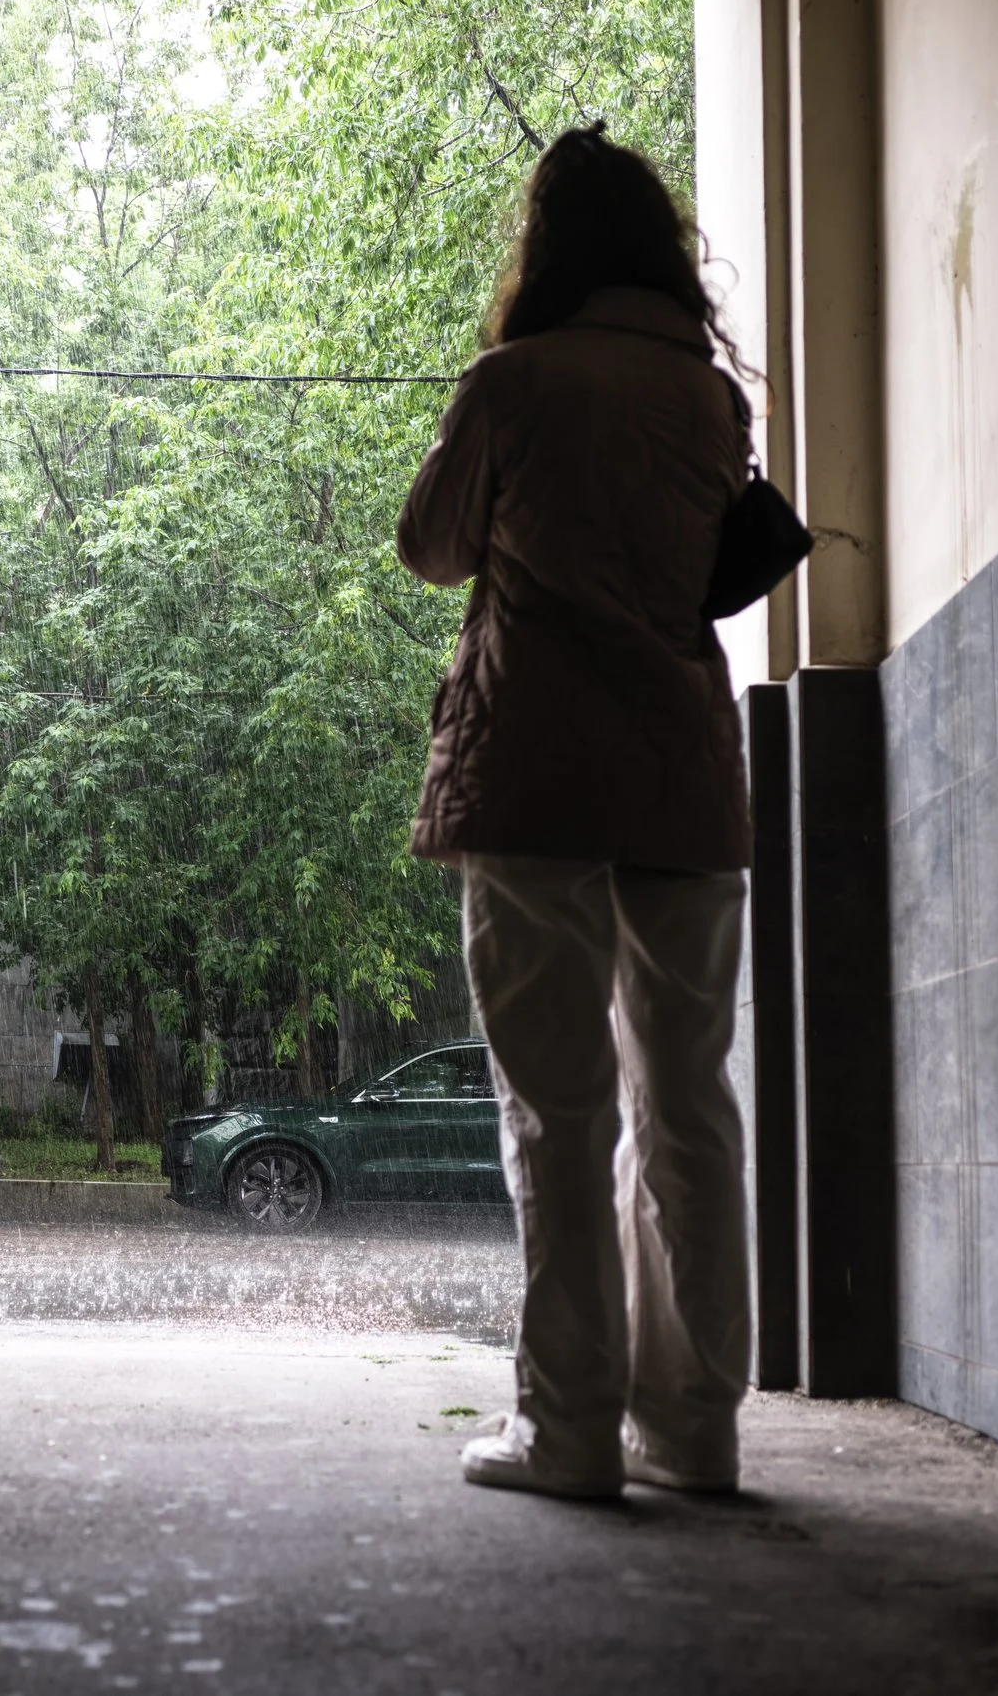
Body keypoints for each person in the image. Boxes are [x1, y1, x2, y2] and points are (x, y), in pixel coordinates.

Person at [397, 124, 754, 1501]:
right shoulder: (710, 400)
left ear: (544, 249)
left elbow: (429, 545)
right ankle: (695, 1427)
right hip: (679, 775)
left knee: (557, 1107)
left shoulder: (516, 380)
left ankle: (570, 1428)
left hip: (537, 769)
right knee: (686, 1106)